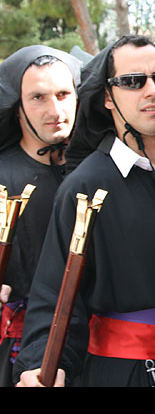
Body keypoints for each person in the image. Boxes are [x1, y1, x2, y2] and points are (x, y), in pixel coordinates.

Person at [12, 34, 155, 387]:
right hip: (126, 374)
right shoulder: (85, 187)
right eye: (133, 82)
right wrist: (42, 362)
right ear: (107, 97)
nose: (152, 91)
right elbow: (56, 294)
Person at [0, 45, 82, 386]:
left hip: (97, 349)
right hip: (23, 354)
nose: (55, 110)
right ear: (18, 109)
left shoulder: (97, 170)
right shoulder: (2, 176)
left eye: (64, 94)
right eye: (38, 98)